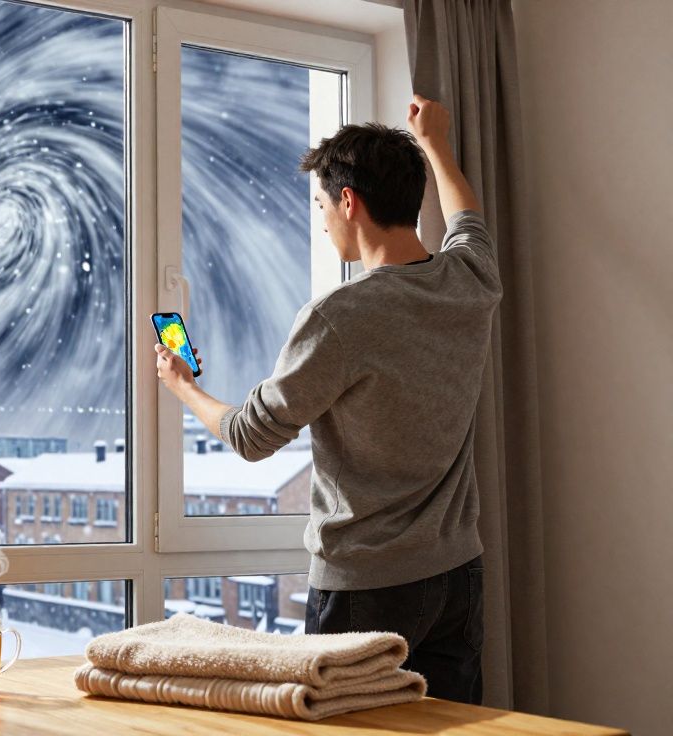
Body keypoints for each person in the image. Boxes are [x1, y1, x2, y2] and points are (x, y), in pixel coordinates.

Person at [154, 94, 501, 704]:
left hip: (366, 589)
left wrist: (184, 387)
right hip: (455, 576)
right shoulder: (469, 280)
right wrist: (436, 144)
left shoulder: (339, 318)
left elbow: (249, 437)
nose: (319, 219)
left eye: (320, 203)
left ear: (349, 202)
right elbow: (466, 216)